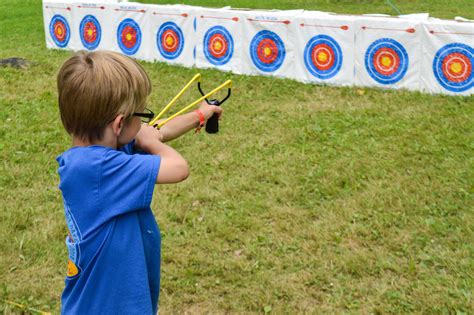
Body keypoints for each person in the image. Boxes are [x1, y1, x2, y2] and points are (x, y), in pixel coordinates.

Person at [56, 51, 222, 314]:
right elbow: (178, 168)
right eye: (141, 114)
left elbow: (158, 132)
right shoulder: (99, 169)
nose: (146, 119)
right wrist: (150, 141)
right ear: (120, 123)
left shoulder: (100, 153)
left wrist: (199, 115)